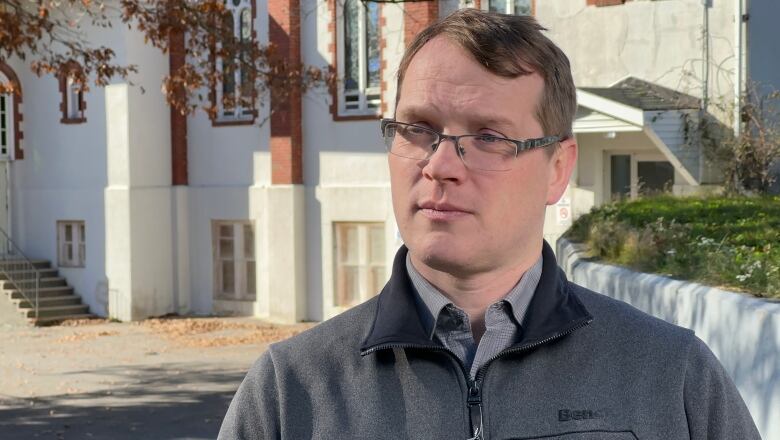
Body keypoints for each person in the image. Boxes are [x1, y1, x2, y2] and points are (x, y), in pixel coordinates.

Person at [218, 9, 760, 439]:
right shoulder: (290, 393)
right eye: (417, 129)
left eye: (489, 137)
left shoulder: (673, 377)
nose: (439, 165)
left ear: (558, 170)